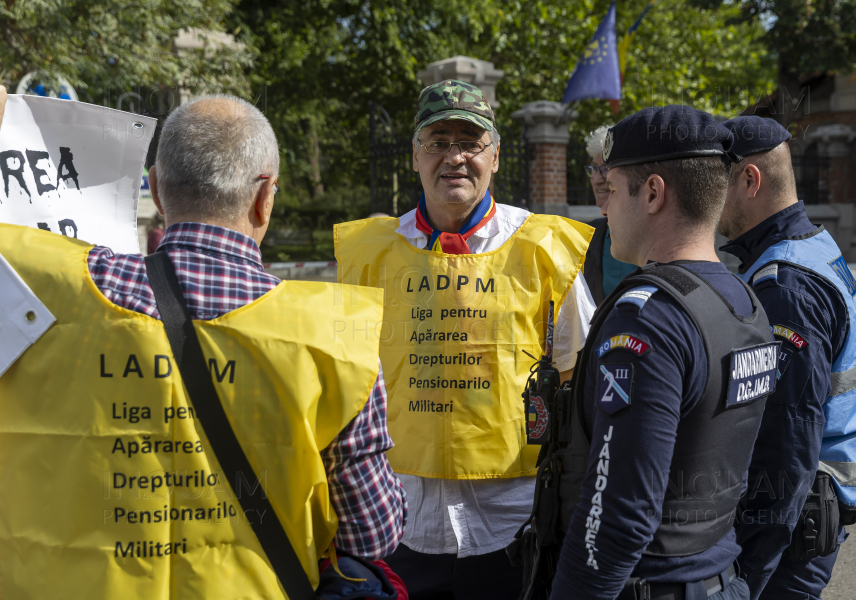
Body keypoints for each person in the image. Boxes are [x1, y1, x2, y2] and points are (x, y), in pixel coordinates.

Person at [0, 91, 407, 597]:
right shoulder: (335, 336)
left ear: (156, 188)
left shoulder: (47, 287)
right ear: (266, 196)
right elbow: (373, 534)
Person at [334, 79, 595, 600]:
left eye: (470, 142)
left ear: (494, 156)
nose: (454, 157)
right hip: (404, 519)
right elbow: (346, 382)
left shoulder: (543, 249)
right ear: (414, 155)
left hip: (512, 521)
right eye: (438, 142)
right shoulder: (369, 254)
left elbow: (576, 374)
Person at [520, 105, 776, 600]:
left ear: (653, 194)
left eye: (612, 189)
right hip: (718, 576)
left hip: (651, 585)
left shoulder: (650, 318)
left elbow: (619, 515)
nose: (605, 208)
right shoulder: (744, 299)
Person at [719, 115, 856, 600]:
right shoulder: (812, 245)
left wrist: (748, 571)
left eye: (714, 182)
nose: (704, 198)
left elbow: (786, 443)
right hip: (820, 502)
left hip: (793, 527)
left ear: (749, 180)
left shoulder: (785, 282)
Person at [581, 125, 637, 304]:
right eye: (593, 169)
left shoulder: (654, 235)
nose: (597, 180)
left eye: (605, 169)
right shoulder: (586, 236)